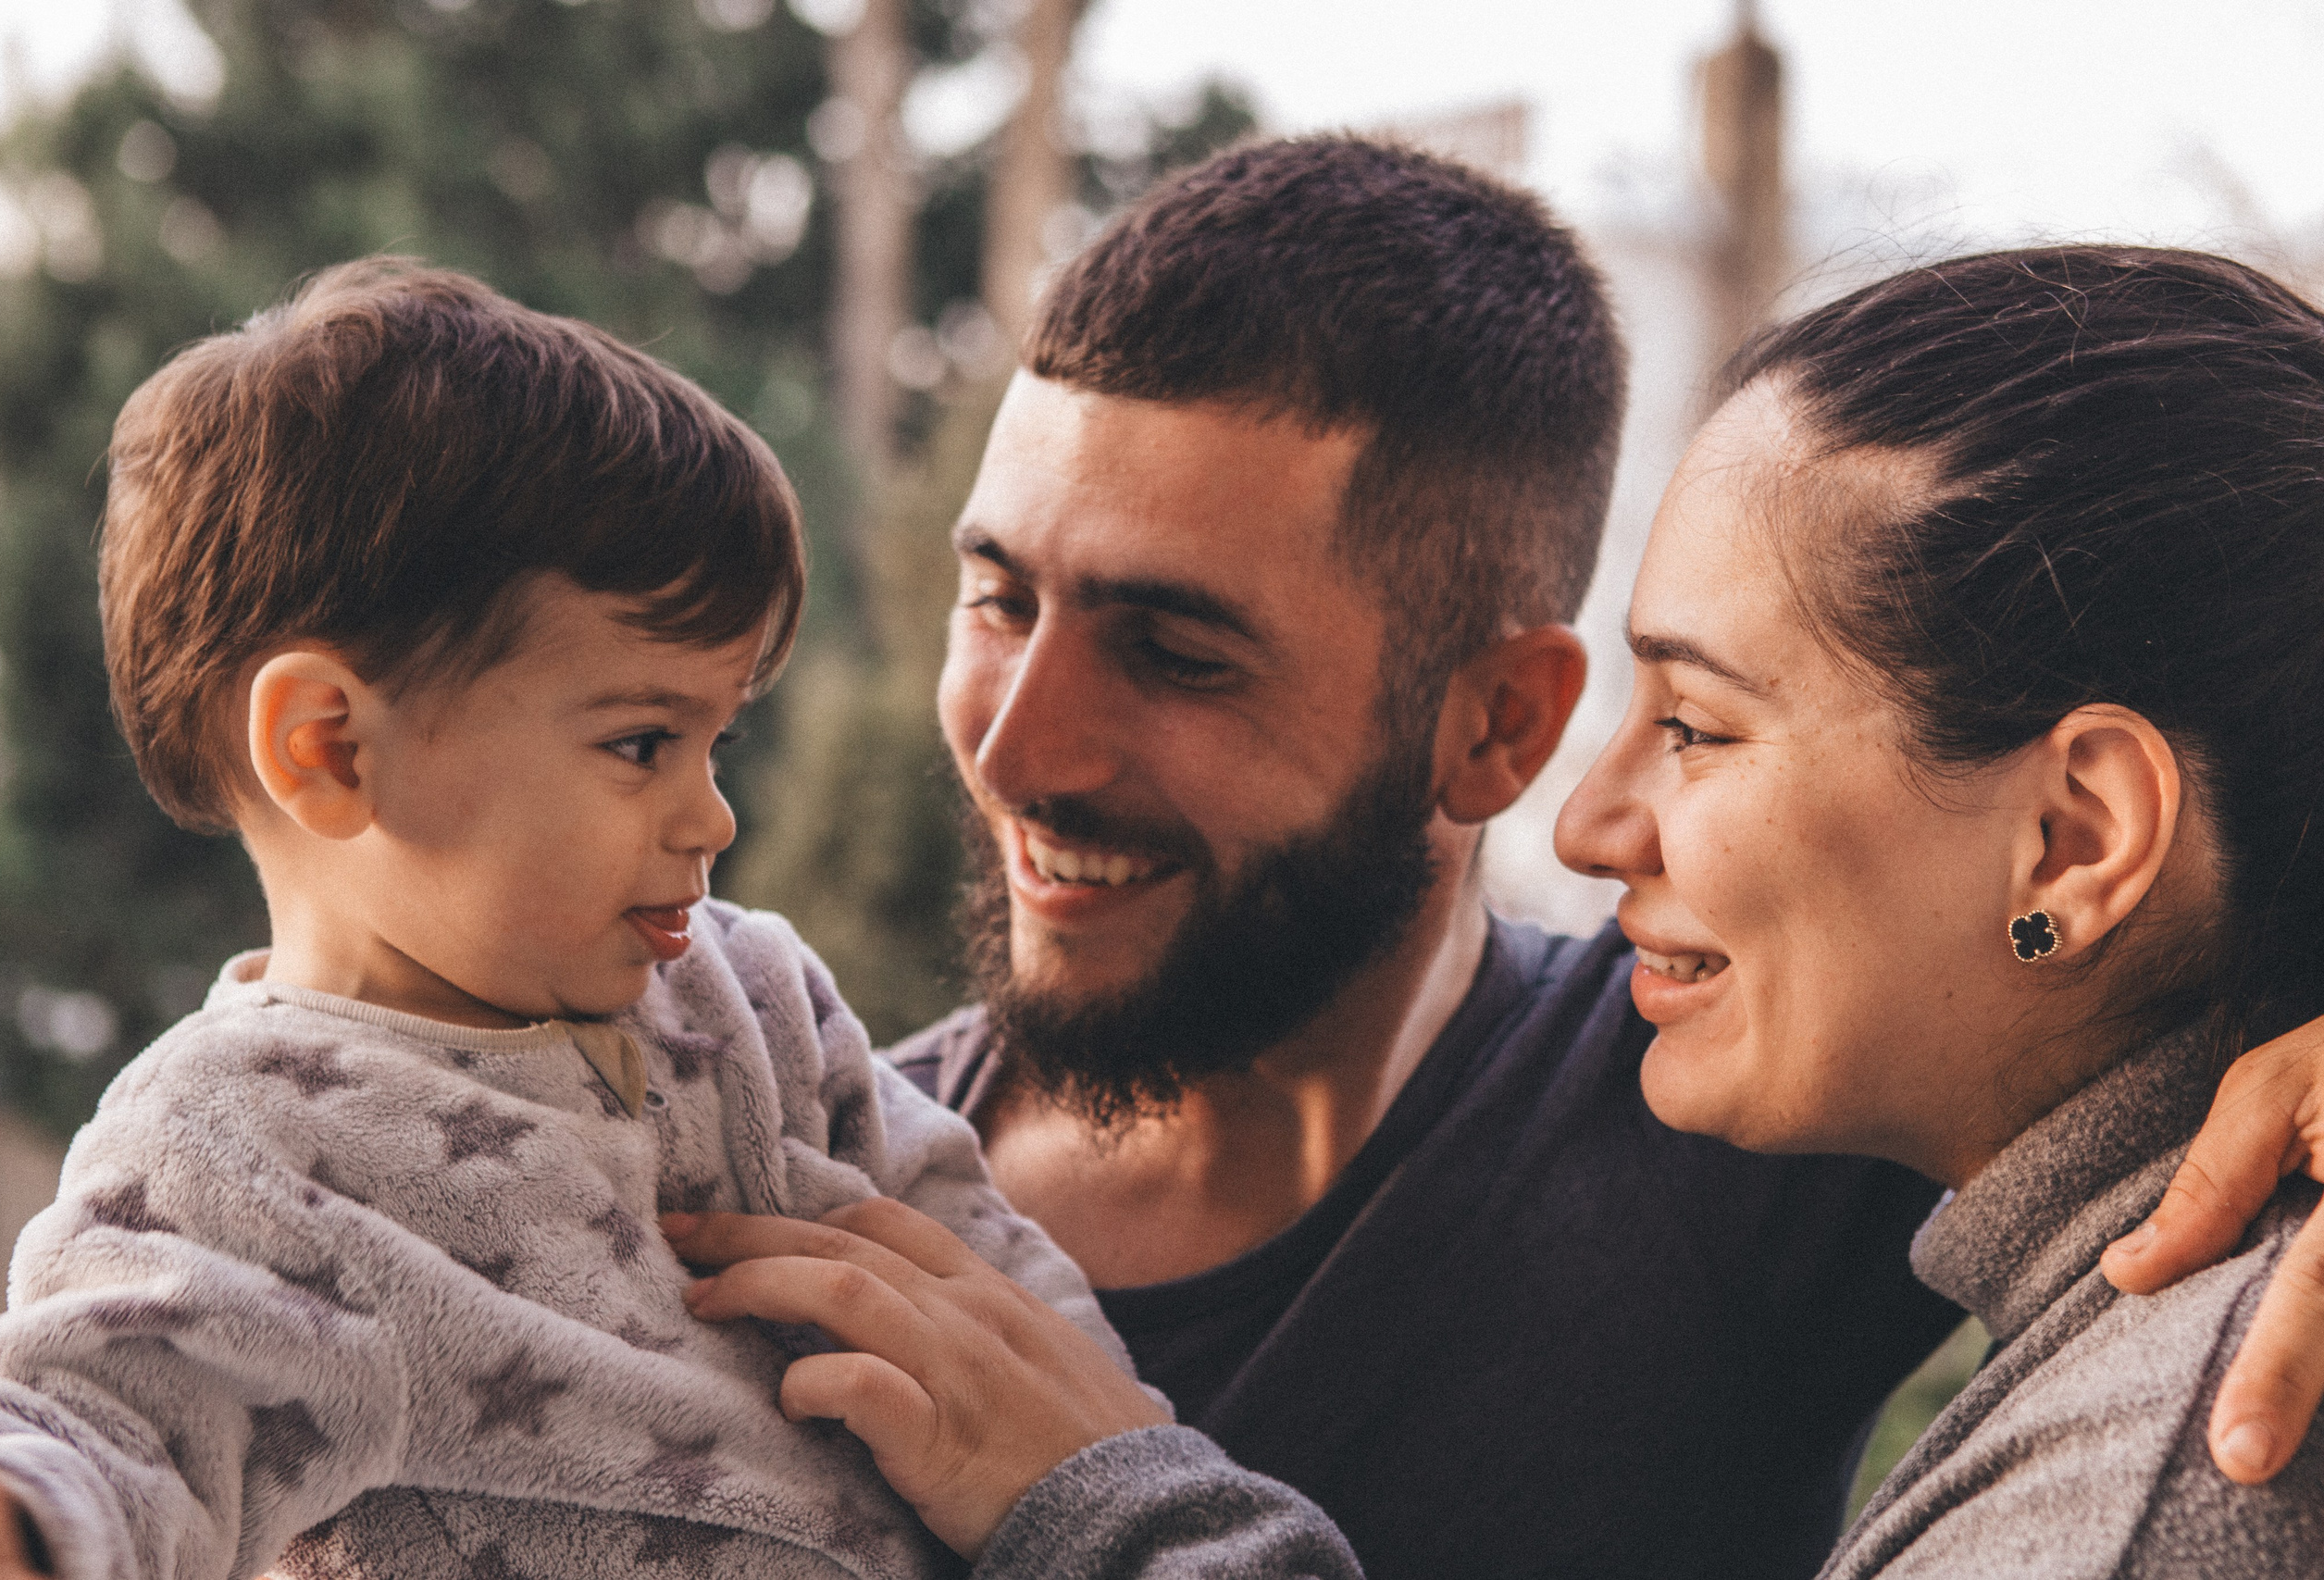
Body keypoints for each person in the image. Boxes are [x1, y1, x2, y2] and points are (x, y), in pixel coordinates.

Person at [667, 148, 2324, 1577]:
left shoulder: (1741, 1113)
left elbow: (2231, 609)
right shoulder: (775, 1190)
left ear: (1495, 725)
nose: (1019, 748)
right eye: (1001, 600)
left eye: (1177, 653)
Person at [0, 260, 1150, 1580]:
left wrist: (1119, 1479)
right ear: (332, 750)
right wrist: (20, 1515)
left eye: (718, 740)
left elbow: (990, 1285)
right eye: (643, 743)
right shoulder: (238, 1140)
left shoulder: (753, 1001)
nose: (714, 817)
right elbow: (105, 1404)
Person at [1552, 244, 2324, 1574]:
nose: (1587, 830)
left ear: (2073, 842)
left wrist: (1120, 1512)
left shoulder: (2171, 1484)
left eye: (1694, 725)